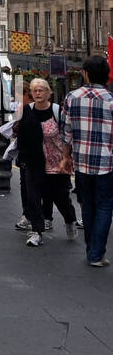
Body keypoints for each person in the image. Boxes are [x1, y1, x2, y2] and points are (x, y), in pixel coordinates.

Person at [61, 56, 113, 267]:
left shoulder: (71, 97)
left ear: (86, 73)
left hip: (81, 162)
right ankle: (96, 253)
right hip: (106, 163)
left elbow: (66, 133)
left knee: (87, 205)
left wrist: (66, 157)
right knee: (104, 206)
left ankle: (92, 249)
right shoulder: (110, 100)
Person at [14, 85, 78, 246]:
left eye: (41, 90)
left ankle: (70, 220)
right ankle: (37, 231)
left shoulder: (57, 111)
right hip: (33, 161)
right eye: (34, 90)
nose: (37, 93)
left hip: (56, 162)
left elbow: (67, 134)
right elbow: (22, 134)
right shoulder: (27, 110)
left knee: (61, 197)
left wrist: (67, 157)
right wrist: (22, 156)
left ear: (49, 93)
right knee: (33, 197)